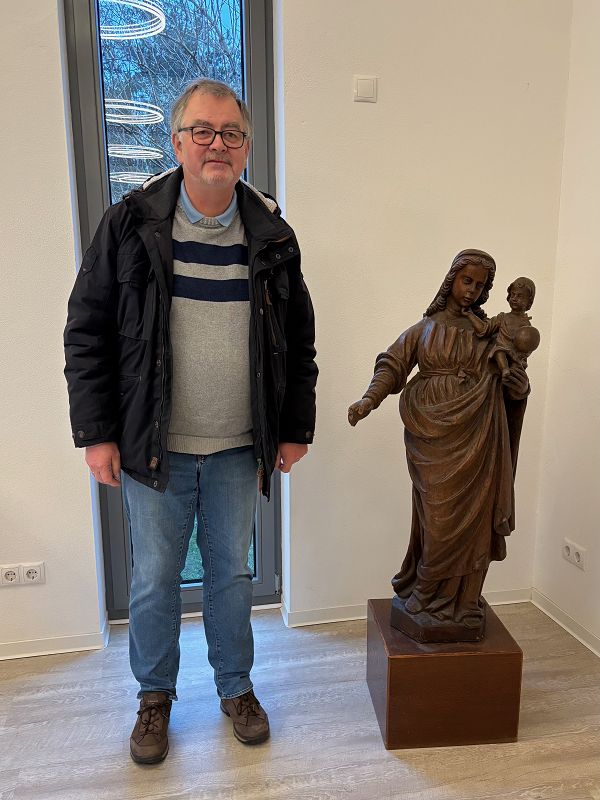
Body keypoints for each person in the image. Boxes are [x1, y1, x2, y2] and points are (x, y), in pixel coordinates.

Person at [64, 79, 317, 763]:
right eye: (202, 131)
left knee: (231, 575)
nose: (217, 144)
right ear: (177, 143)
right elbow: (86, 332)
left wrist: (294, 427)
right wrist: (96, 435)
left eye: (231, 133)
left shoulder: (272, 233)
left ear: (246, 146)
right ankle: (154, 697)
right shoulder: (130, 224)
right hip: (154, 445)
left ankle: (236, 687)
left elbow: (297, 340)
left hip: (240, 445)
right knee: (154, 579)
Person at [348, 250, 529, 641]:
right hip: (431, 434)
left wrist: (519, 390)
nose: (472, 290)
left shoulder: (488, 333)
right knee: (438, 517)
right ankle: (428, 590)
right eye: (467, 281)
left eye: (480, 285)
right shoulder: (425, 328)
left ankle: (461, 602)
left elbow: (509, 376)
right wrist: (368, 400)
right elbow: (393, 363)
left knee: (474, 518)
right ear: (451, 280)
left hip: (478, 432)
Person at [464, 276, 538, 378]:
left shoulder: (527, 326)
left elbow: (529, 346)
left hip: (516, 360)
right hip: (500, 356)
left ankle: (509, 373)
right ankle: (504, 370)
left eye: (519, 296)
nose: (514, 298)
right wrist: (470, 315)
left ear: (529, 302)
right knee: (498, 351)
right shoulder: (503, 318)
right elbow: (484, 329)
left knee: (516, 376)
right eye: (512, 294)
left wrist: (521, 355)